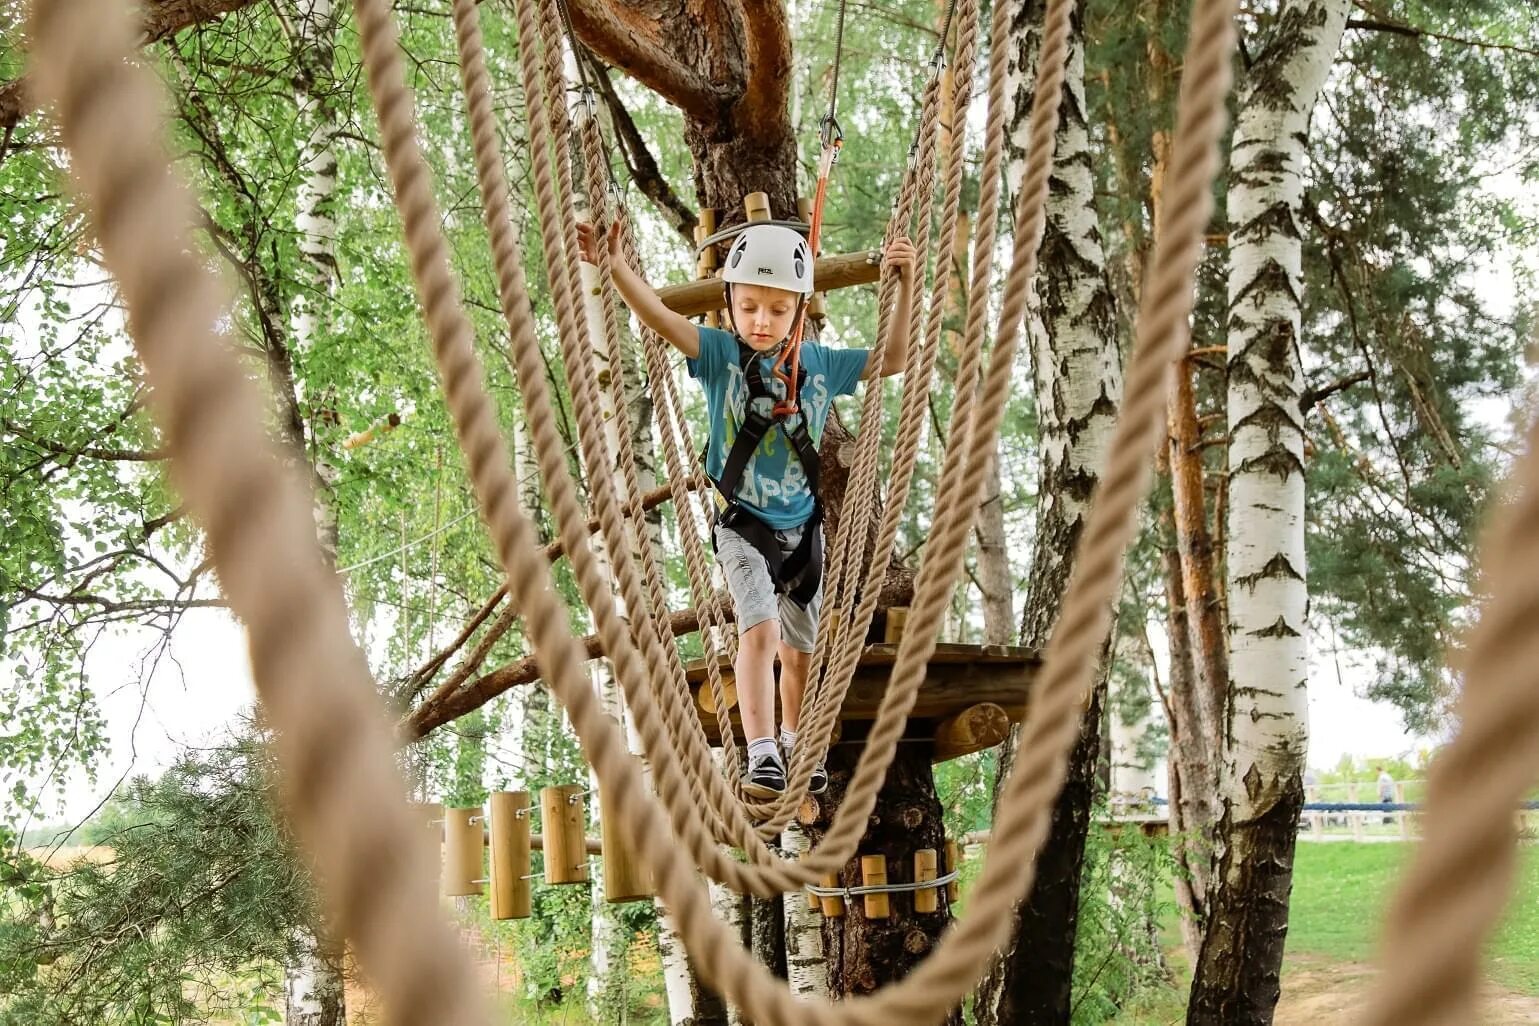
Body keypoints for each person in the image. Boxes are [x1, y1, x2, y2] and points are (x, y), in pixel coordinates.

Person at [577, 216, 916, 802]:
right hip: (745, 528)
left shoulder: (820, 365)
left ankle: (795, 743)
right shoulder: (718, 356)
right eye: (751, 306)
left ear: (800, 312)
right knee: (757, 629)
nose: (762, 321)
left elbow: (894, 357)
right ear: (730, 302)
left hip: (805, 534)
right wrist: (615, 270)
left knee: (800, 647)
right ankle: (762, 751)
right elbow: (658, 318)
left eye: (778, 310)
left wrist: (904, 285)